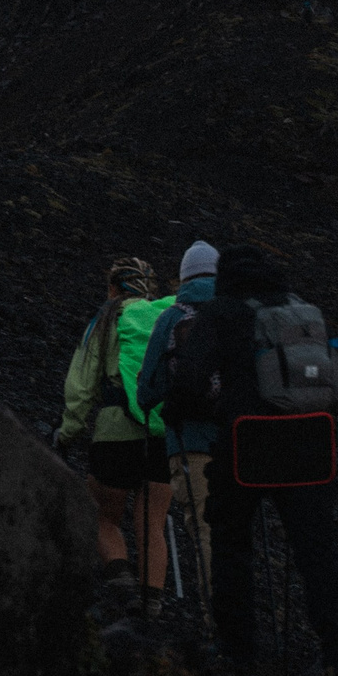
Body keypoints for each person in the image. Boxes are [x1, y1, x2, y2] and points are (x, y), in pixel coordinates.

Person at [178, 243, 338, 676]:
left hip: (247, 443)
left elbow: (189, 381)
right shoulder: (301, 311)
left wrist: (200, 410)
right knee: (318, 551)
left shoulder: (221, 312)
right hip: (311, 444)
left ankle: (238, 653)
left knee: (231, 543)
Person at [56, 256, 174, 609]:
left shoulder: (107, 319)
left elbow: (81, 384)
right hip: (161, 432)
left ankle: (122, 584)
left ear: (112, 288)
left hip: (115, 432)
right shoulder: (167, 319)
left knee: (101, 515)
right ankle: (152, 606)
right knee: (152, 523)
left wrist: (67, 433)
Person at [137, 240, 221, 614]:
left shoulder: (172, 317)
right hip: (240, 442)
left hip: (190, 445)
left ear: (184, 278)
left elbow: (147, 392)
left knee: (206, 530)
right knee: (235, 532)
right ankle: (242, 624)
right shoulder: (237, 315)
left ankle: (218, 625)